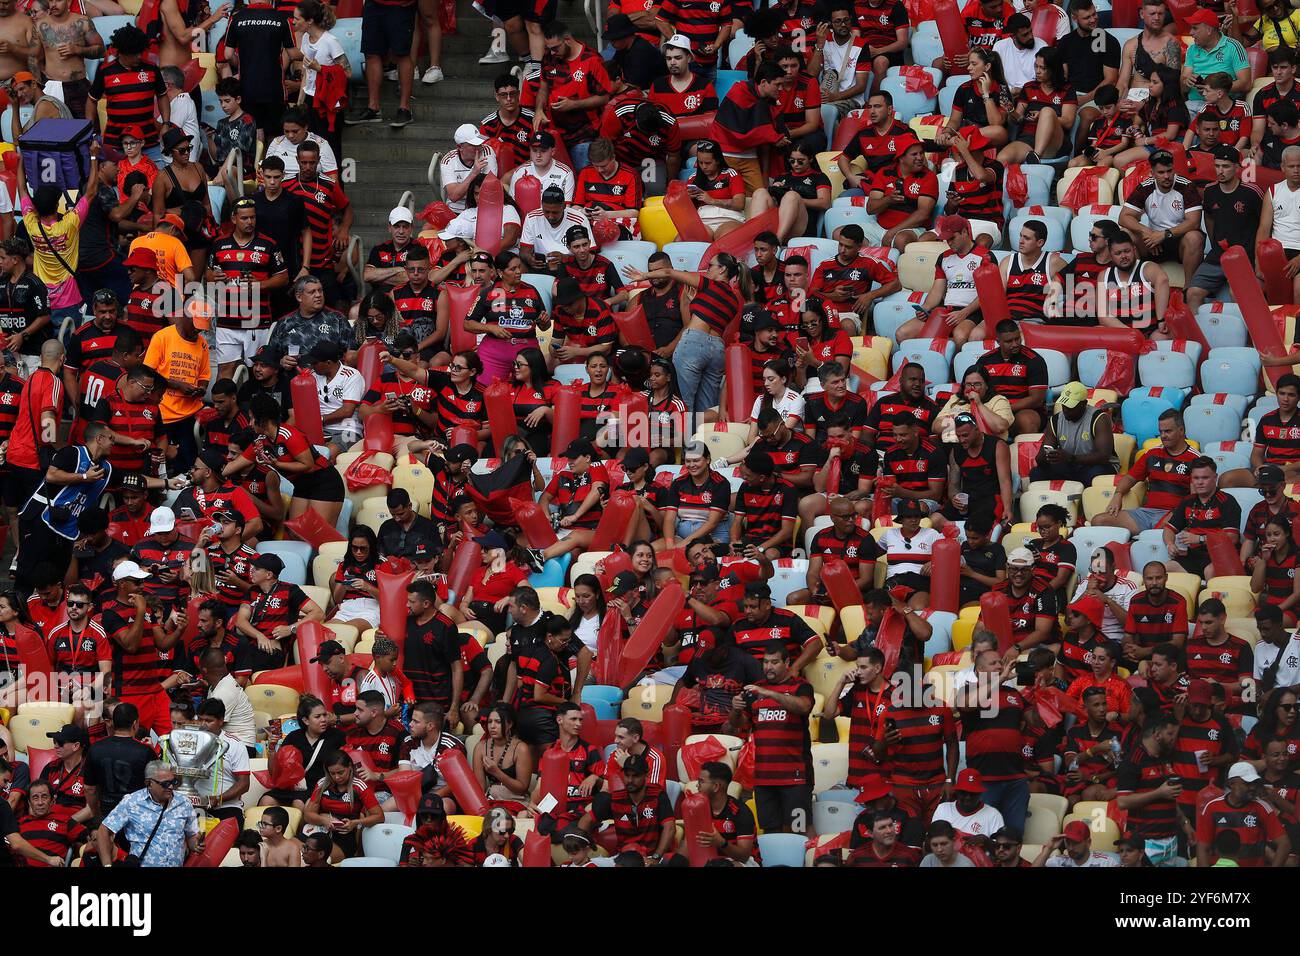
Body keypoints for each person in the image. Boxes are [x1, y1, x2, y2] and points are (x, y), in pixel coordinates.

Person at [728, 640, 814, 834]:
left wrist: (769, 693)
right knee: (770, 832)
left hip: (796, 777)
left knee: (797, 830)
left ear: (787, 662)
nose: (768, 666)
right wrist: (735, 709)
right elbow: (738, 724)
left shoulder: (801, 686)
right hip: (764, 778)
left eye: (774, 662)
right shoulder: (754, 689)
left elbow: (803, 707)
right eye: (766, 662)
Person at [1093, 408, 1198, 536]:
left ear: (1181, 430)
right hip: (1145, 514)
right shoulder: (1152, 454)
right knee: (1099, 521)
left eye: (1168, 431)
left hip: (1174, 515)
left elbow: (1196, 499)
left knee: (1160, 533)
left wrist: (1179, 515)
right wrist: (1118, 495)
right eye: (1161, 432)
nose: (1163, 436)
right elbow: (1130, 478)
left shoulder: (1195, 459)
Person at [1119, 149, 1205, 284]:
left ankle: (1189, 288)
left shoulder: (1186, 186)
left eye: (1169, 171)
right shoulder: (1145, 188)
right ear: (1152, 173)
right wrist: (1146, 232)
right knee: (1126, 233)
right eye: (1161, 172)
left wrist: (1164, 234)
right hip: (1153, 241)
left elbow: (1193, 223)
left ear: (1174, 169)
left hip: (1180, 241)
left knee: (1195, 237)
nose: (1166, 176)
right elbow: (1124, 217)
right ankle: (1135, 285)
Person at [97, 760, 199, 867]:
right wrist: (107, 865)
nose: (171, 787)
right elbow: (103, 831)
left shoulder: (183, 802)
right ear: (149, 783)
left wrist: (196, 844)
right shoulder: (132, 802)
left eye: (173, 782)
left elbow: (191, 836)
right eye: (165, 784)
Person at [1116, 714, 1183, 866]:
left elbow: (1169, 796)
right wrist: (1158, 793)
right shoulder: (1133, 761)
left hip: (1170, 839)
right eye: (1170, 734)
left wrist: (1185, 823)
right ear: (1157, 734)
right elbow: (1122, 801)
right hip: (1145, 842)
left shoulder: (1164, 757)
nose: (1174, 739)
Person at [1197, 762, 1292, 867]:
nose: (1252, 787)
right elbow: (1203, 848)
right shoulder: (1212, 807)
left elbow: (1284, 844)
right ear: (1231, 784)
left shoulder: (1262, 808)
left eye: (1254, 783)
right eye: (1247, 783)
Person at [303, 750, 384, 861]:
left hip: (344, 837)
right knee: (291, 848)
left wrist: (355, 823)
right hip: (318, 833)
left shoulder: (359, 786)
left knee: (312, 858)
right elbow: (308, 815)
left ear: (350, 767)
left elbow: (379, 817)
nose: (336, 777)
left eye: (340, 772)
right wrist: (323, 820)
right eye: (332, 773)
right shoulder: (322, 784)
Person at [1030, 382, 1117, 484]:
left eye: (1070, 406)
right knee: (1037, 473)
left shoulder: (1099, 418)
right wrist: (1046, 457)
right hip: (1070, 464)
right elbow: (1041, 457)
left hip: (1097, 465)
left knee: (1095, 474)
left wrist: (1071, 458)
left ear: (1084, 404)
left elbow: (1104, 456)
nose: (1065, 409)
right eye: (1064, 404)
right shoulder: (1056, 420)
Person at [198, 647, 257, 748]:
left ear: (204, 670)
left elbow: (208, 726)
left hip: (241, 747)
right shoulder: (221, 683)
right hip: (232, 744)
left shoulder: (224, 691)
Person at [1035, 818, 1121, 867]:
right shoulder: (1058, 861)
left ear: (1088, 842)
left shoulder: (1106, 863)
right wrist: (1048, 849)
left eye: (1076, 843)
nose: (1071, 848)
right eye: (1068, 842)